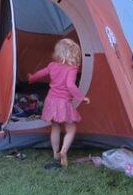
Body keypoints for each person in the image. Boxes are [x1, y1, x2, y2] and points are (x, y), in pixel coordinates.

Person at [28, 38, 90, 168]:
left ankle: (55, 152)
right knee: (71, 129)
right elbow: (70, 85)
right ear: (74, 55)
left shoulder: (52, 65)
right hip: (63, 103)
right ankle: (64, 151)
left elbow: (41, 73)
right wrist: (81, 97)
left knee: (55, 127)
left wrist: (32, 77)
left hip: (51, 101)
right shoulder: (72, 69)